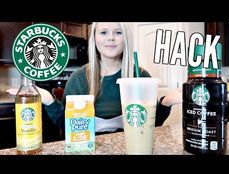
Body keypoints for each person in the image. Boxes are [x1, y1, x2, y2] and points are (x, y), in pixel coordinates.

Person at [8, 22, 182, 136]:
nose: (111, 38)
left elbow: (150, 125)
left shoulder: (141, 77)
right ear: (95, 40)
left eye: (118, 32)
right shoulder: (77, 80)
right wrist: (49, 101)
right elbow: (66, 125)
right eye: (104, 32)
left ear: (126, 39)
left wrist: (166, 102)